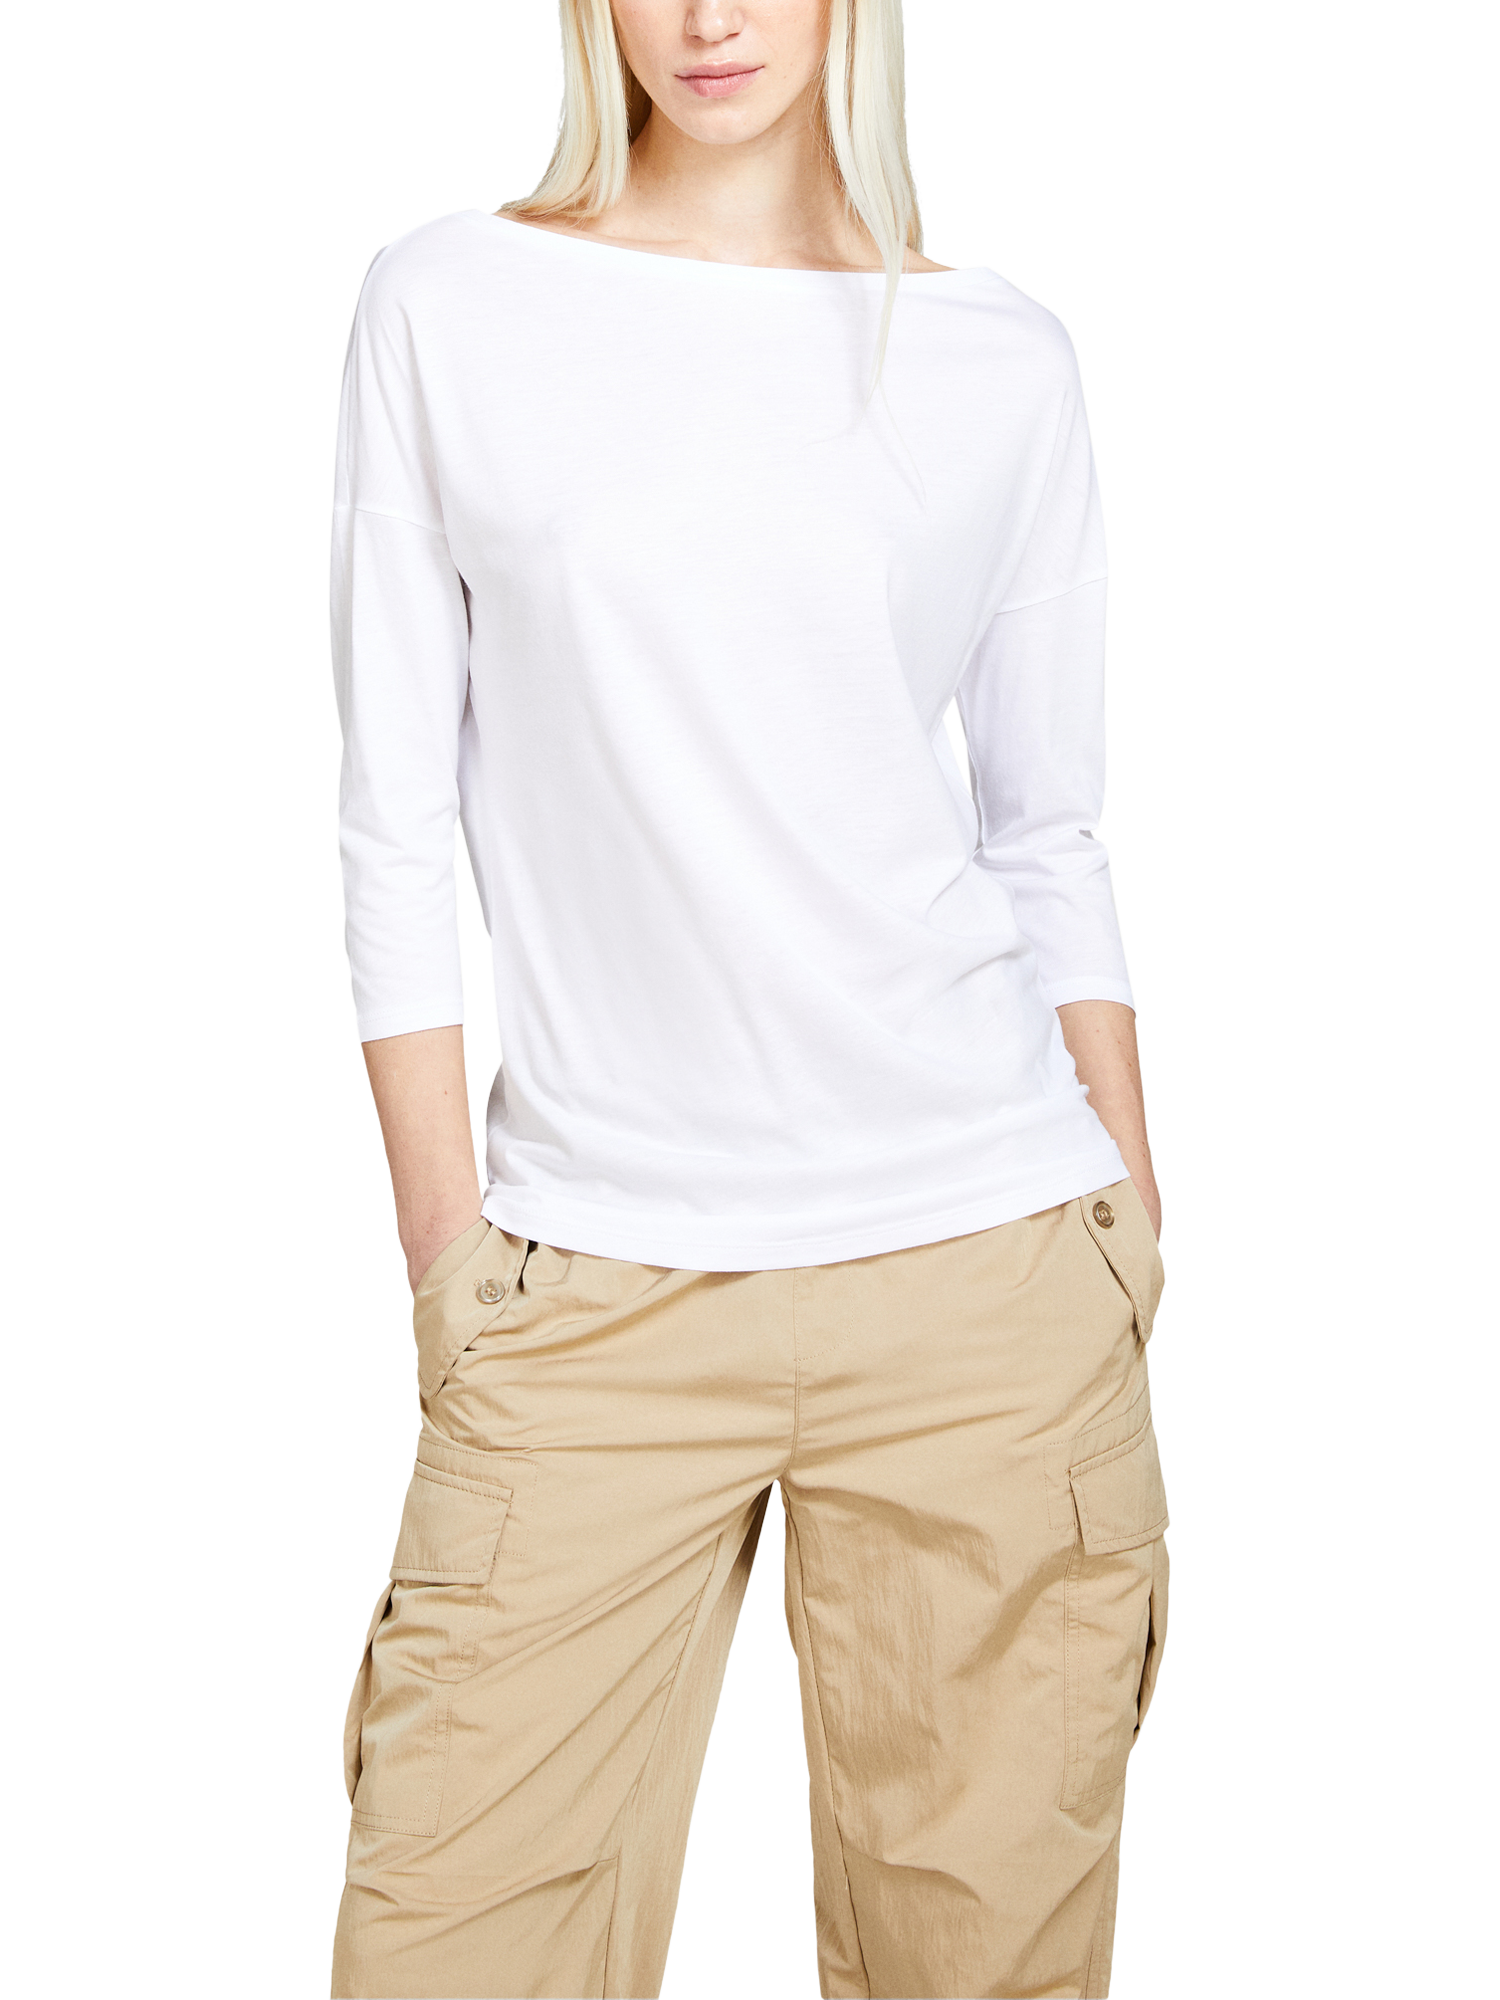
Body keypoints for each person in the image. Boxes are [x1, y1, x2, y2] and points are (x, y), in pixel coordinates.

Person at [328, 3, 1170, 1995]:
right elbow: (392, 824)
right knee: (448, 1943)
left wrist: (1129, 1225)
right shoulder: (450, 305)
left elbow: (1049, 832)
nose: (711, 17)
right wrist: (449, 1262)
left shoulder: (996, 357)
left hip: (985, 1272)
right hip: (588, 1284)